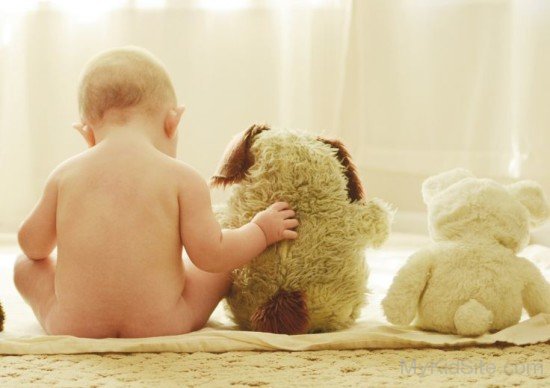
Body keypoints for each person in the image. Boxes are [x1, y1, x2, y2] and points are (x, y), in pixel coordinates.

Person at [14, 46, 298, 338]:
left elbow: (32, 246)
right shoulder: (183, 179)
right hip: (163, 323)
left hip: (74, 324)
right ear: (172, 121)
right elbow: (212, 254)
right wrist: (260, 231)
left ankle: (56, 312)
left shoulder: (64, 175)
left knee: (25, 266)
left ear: (86, 133)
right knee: (221, 270)